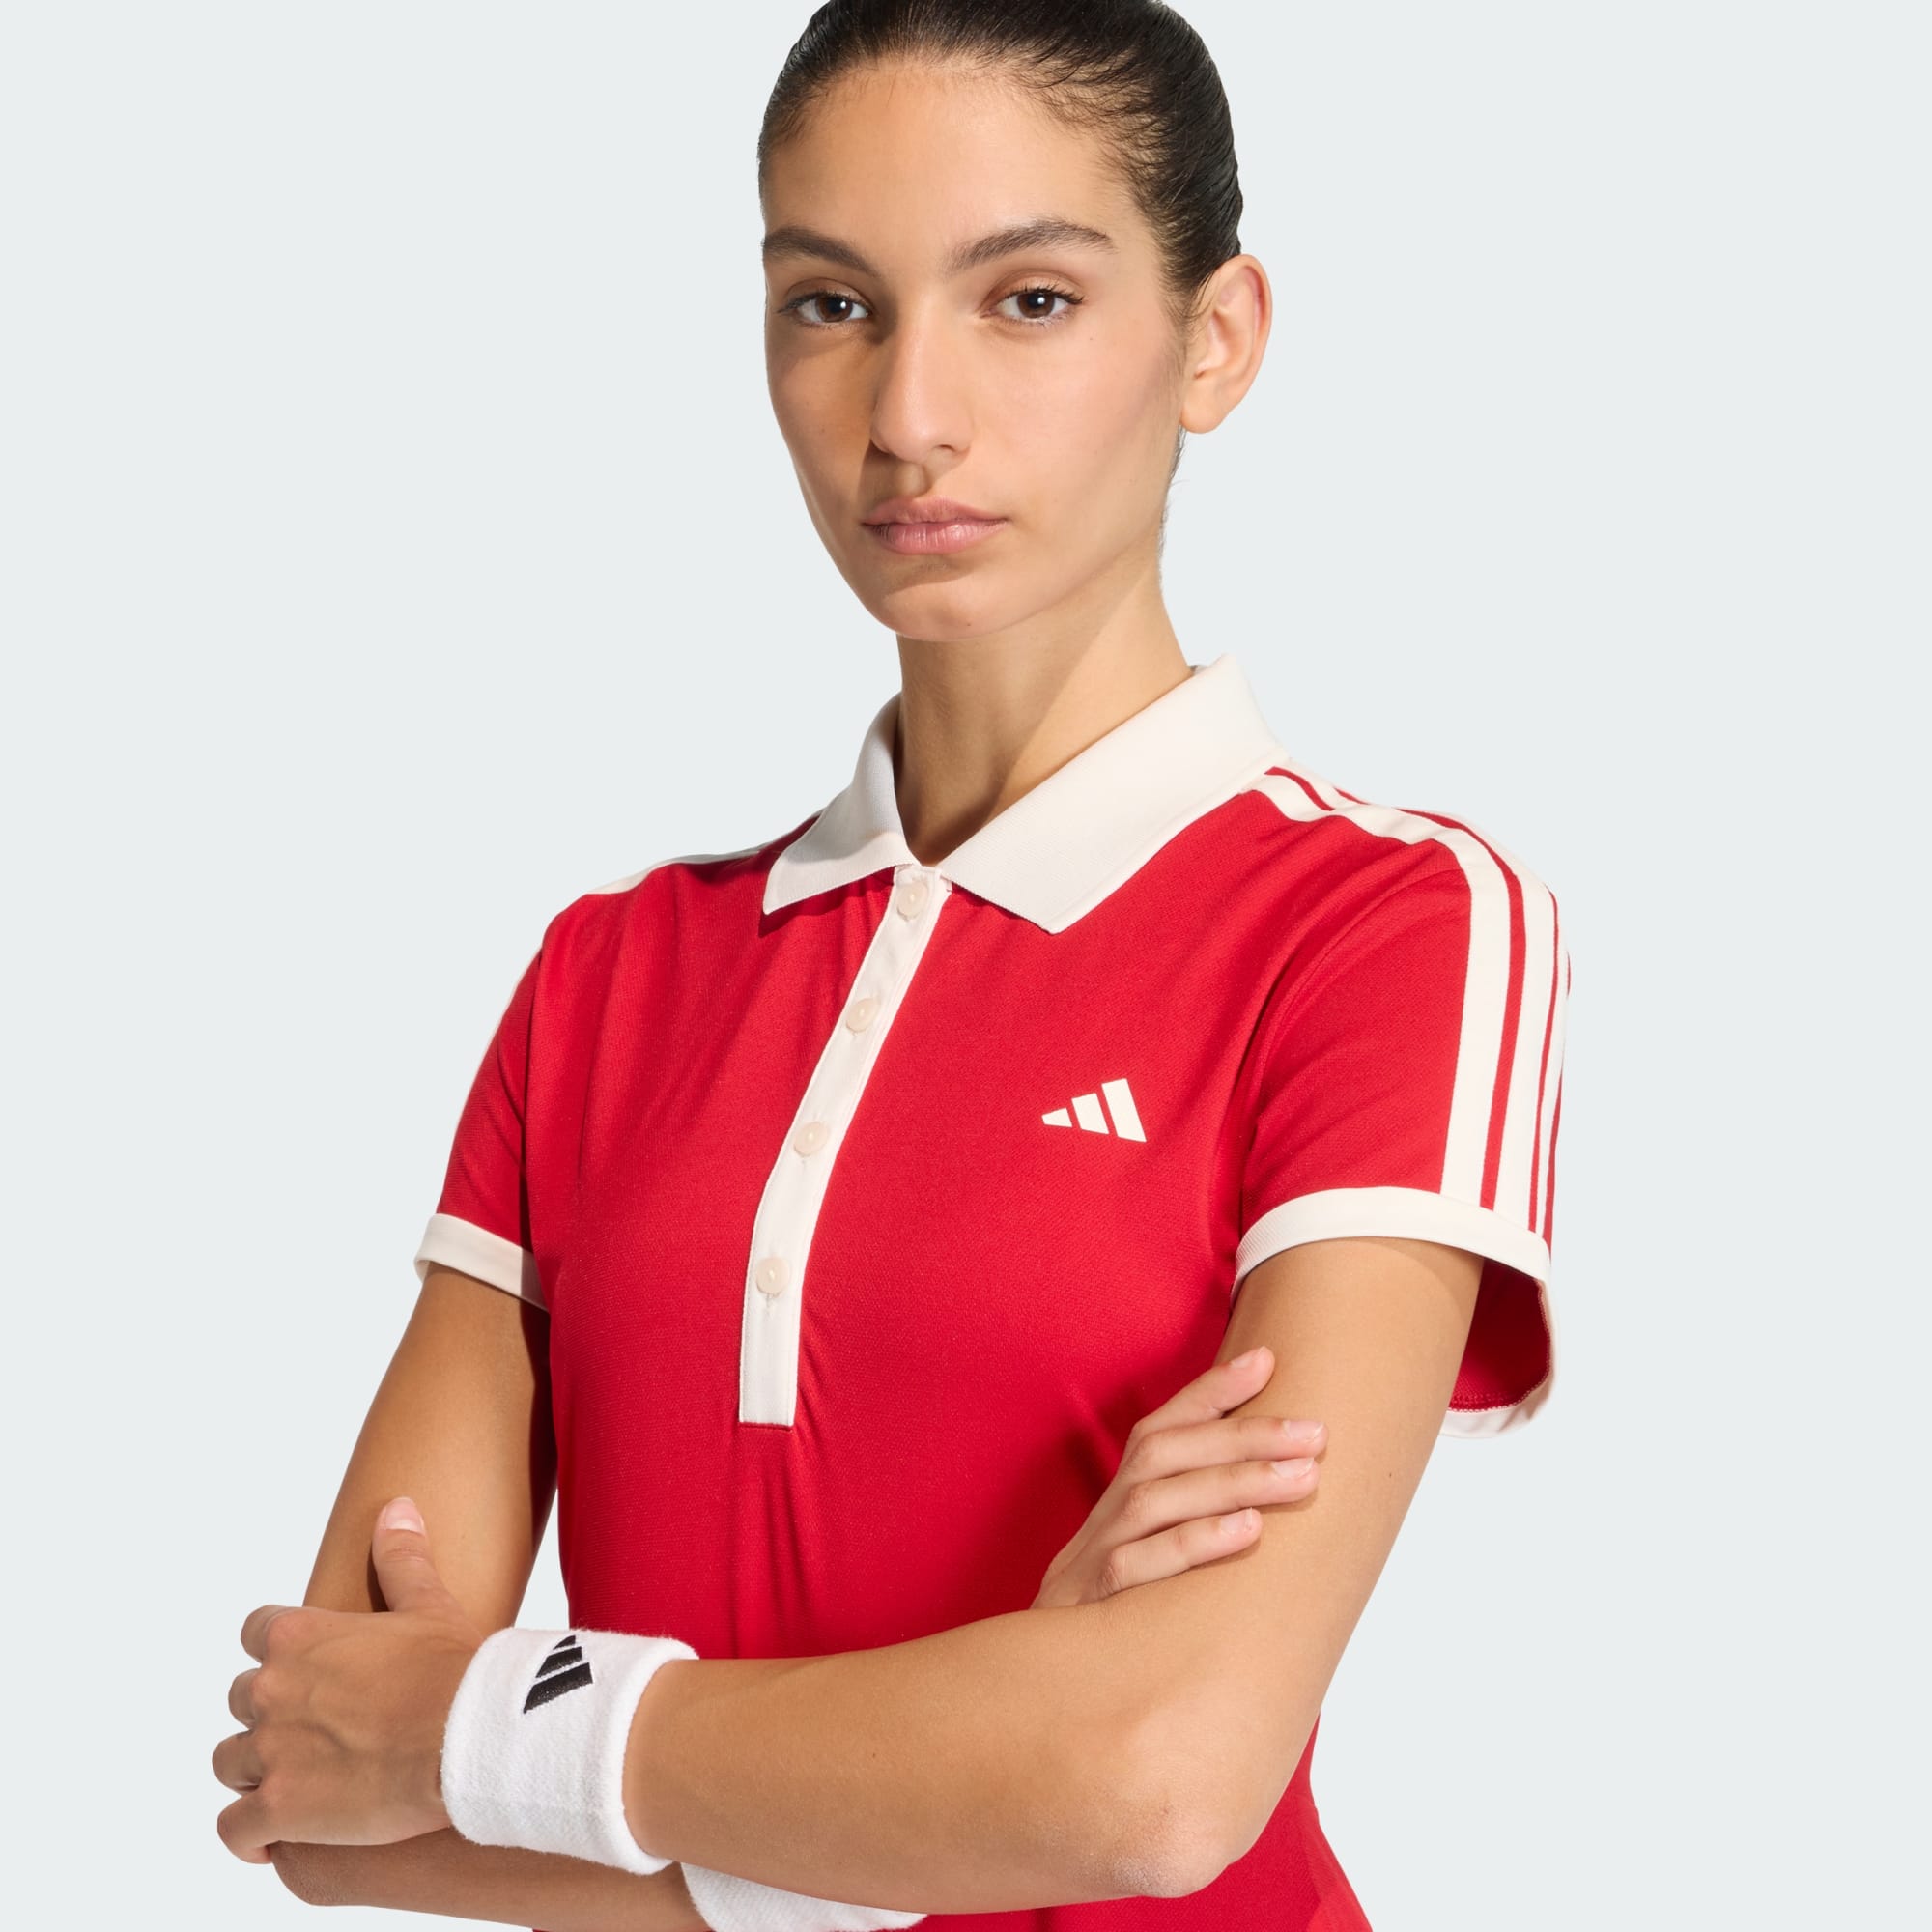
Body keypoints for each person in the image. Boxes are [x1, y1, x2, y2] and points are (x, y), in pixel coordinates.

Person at [213, 4, 1568, 1926]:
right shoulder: (611, 975)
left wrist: (503, 1729)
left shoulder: (1384, 926)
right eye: (832, 304)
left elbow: (1157, 1779)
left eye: (1029, 300)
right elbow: (328, 1789)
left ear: (1216, 336)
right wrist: (977, 1763)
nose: (910, 413)